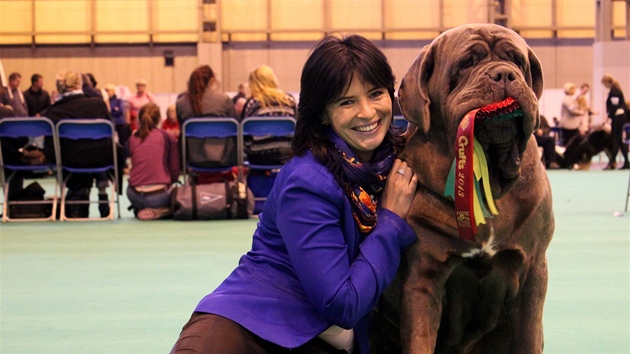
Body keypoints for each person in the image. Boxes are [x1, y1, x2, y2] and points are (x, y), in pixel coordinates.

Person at [171, 34, 418, 354]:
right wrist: (391, 221)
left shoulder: (399, 163)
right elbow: (342, 303)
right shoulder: (307, 181)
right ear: (323, 113)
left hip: (324, 341)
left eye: (376, 94)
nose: (368, 112)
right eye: (347, 101)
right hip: (249, 329)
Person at [42, 69, 116, 218]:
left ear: (59, 88)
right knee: (96, 149)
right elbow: (109, 134)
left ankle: (78, 194)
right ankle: (102, 190)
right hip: (101, 159)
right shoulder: (98, 104)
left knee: (74, 153)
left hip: (71, 161)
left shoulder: (53, 112)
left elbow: (50, 148)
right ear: (79, 85)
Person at [126, 102, 179, 220]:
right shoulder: (167, 136)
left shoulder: (132, 139)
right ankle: (163, 210)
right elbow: (174, 170)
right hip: (159, 196)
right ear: (159, 119)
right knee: (177, 197)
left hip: (133, 194)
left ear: (139, 119)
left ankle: (141, 208)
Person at [601, 73, 630, 170]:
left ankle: (612, 162)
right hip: (618, 117)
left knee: (616, 140)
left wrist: (607, 118)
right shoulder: (616, 90)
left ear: (607, 83)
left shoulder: (614, 91)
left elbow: (614, 107)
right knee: (619, 141)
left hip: (618, 118)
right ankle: (626, 162)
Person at [104, 83, 131, 148]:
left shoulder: (119, 100)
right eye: (106, 91)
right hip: (111, 123)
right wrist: (114, 110)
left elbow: (120, 110)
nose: (107, 93)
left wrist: (111, 111)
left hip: (120, 123)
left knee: (122, 141)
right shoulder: (106, 101)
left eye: (108, 91)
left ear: (112, 91)